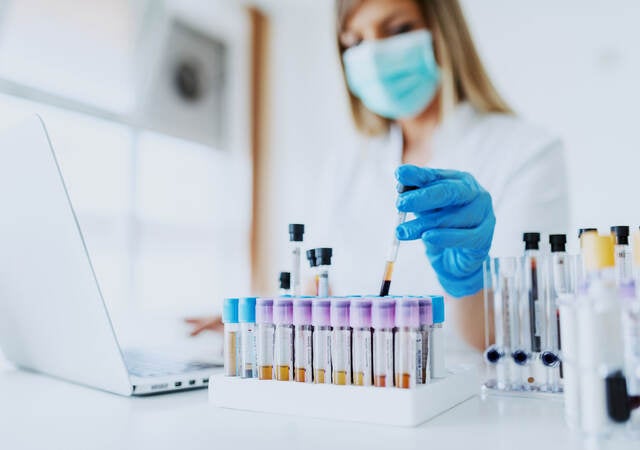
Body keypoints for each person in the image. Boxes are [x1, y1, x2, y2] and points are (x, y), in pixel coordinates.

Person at [189, 0, 569, 350]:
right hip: (350, 389)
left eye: (398, 29)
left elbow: (515, 336)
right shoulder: (345, 164)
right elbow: (316, 294)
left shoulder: (526, 152)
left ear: (444, 32)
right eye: (355, 41)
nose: (373, 55)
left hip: (465, 403)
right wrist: (254, 325)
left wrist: (467, 283)